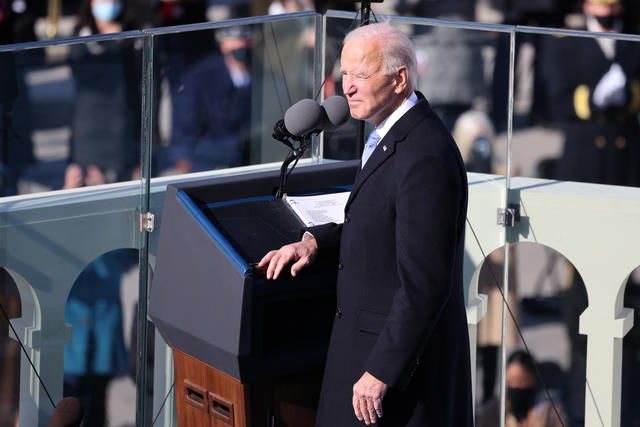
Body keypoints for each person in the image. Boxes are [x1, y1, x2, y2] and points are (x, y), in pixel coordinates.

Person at [259, 22, 472, 426]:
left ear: (399, 79)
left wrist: (381, 372)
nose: (347, 87)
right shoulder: (387, 134)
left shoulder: (424, 155)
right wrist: (315, 244)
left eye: (361, 74)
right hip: (361, 358)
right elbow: (379, 225)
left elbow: (426, 284)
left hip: (391, 384)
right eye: (345, 74)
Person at [166, 26, 253, 173]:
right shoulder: (200, 78)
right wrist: (183, 157)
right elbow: (185, 122)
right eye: (236, 40)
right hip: (205, 161)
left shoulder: (263, 75)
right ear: (223, 44)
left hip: (248, 160)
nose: (242, 44)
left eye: (247, 39)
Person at [476, 350, 567, 427]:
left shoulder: (550, 411)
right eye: (510, 382)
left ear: (535, 379)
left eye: (521, 381)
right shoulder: (492, 411)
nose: (516, 386)